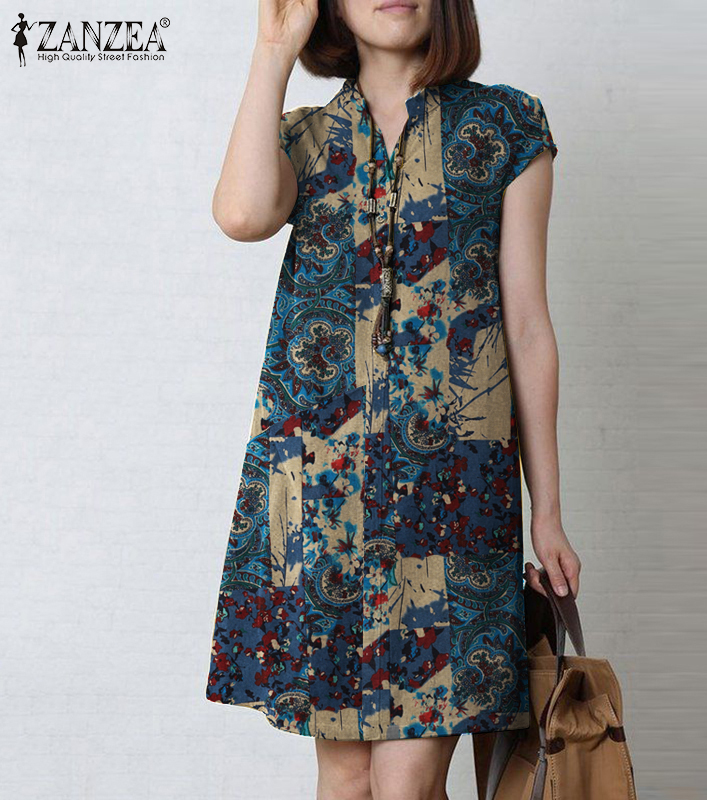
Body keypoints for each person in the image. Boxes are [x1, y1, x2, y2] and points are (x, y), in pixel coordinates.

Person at [205, 1, 582, 798]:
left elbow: (527, 326)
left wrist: (546, 511)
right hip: (321, 493)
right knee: (346, 780)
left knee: (405, 785)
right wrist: (274, 49)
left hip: (452, 495)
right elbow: (240, 214)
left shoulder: (505, 126)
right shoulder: (305, 136)